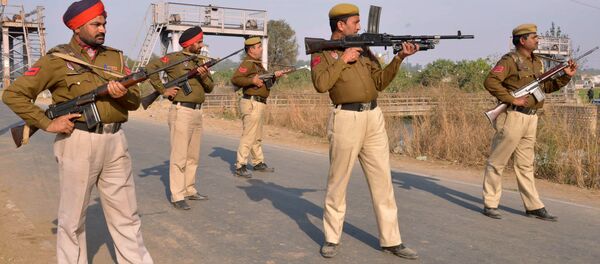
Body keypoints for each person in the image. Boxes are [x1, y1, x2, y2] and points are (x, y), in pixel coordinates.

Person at [1, 0, 153, 263]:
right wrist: (47, 123)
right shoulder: (56, 61)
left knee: (127, 216)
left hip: (116, 140)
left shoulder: (114, 57)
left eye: (104, 23)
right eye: (95, 24)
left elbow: (135, 102)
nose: (102, 28)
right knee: (73, 219)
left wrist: (123, 93)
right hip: (78, 142)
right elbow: (14, 94)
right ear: (77, 27)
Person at [310, 3, 419, 259]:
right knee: (338, 182)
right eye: (355, 23)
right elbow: (321, 84)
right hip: (345, 118)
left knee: (383, 181)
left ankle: (392, 240)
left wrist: (399, 58)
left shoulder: (365, 50)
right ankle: (332, 238)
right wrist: (344, 60)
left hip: (374, 118)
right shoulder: (323, 53)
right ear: (341, 25)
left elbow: (380, 82)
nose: (360, 27)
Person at [482, 23, 577, 221]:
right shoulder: (510, 60)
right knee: (497, 162)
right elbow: (490, 82)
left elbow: (546, 88)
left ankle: (533, 206)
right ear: (522, 40)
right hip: (513, 116)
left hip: (531, 117)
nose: (538, 40)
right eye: (534, 37)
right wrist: (511, 99)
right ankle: (491, 203)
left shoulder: (538, 62)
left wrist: (565, 78)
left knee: (526, 165)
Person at [145, 26, 214, 210]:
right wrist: (163, 91)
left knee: (193, 156)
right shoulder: (173, 59)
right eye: (198, 42)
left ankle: (189, 189)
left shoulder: (200, 61)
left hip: (197, 112)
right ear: (190, 43)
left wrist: (204, 74)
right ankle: (177, 195)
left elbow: (210, 88)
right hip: (182, 111)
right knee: (179, 155)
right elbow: (151, 68)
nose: (201, 45)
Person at [231, 37, 284, 178]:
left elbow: (265, 82)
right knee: (249, 135)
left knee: (257, 136)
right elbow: (235, 79)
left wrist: (274, 77)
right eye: (258, 46)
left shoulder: (257, 64)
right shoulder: (248, 63)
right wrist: (251, 80)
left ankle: (258, 162)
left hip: (259, 103)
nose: (261, 49)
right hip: (252, 103)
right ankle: (240, 165)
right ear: (251, 49)